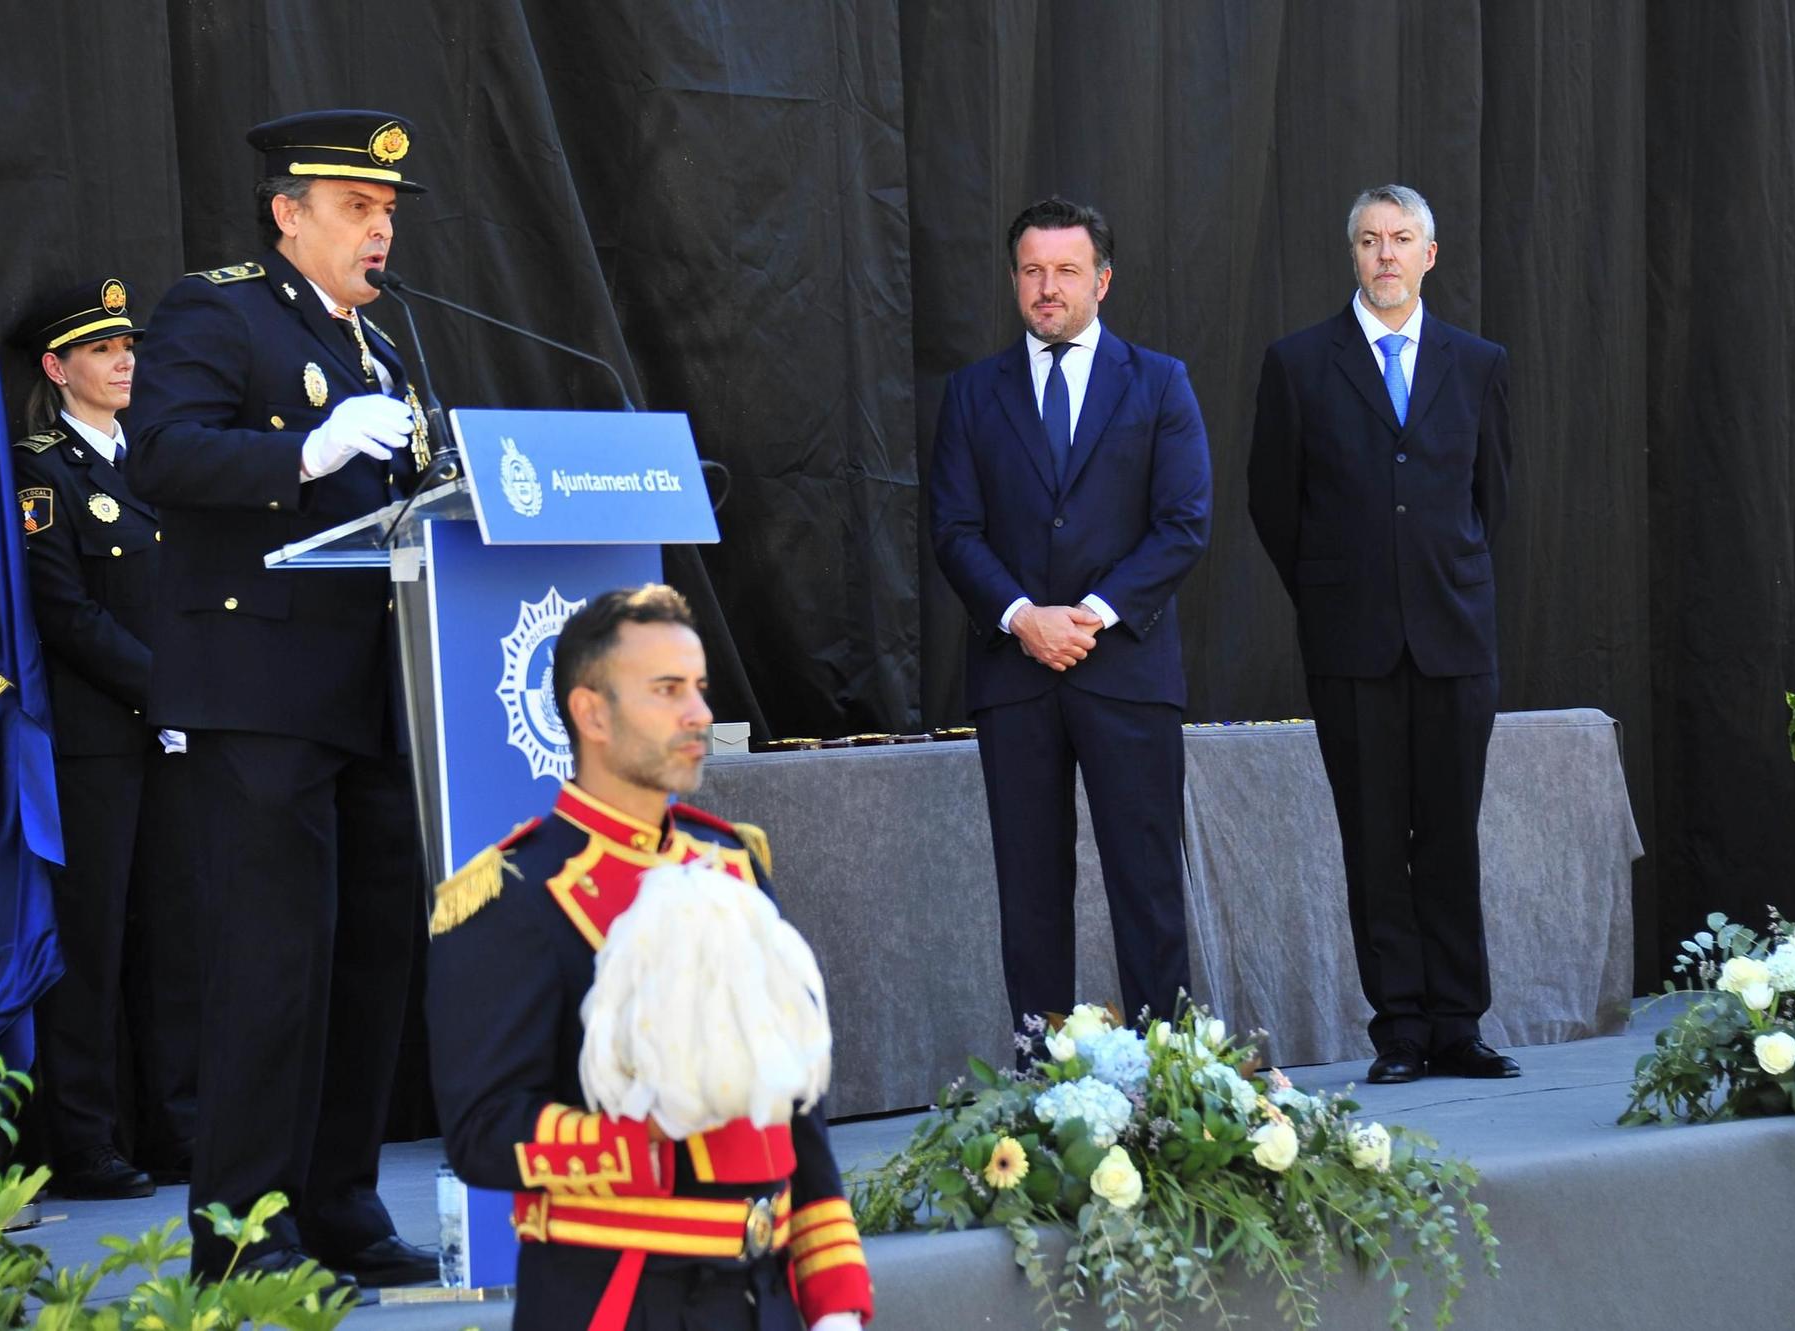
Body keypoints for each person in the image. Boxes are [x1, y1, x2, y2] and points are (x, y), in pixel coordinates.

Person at [125, 109, 435, 1284]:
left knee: (364, 963)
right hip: (257, 691)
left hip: (366, 692)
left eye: (388, 214)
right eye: (357, 209)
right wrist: (307, 450)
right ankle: (245, 1234)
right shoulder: (218, 309)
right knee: (272, 966)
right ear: (287, 213)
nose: (379, 232)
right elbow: (163, 454)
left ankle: (342, 1206)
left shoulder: (381, 350)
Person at [428, 585, 873, 1330]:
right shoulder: (513, 892)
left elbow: (799, 1112)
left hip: (768, 1301)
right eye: (667, 690)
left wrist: (833, 1297)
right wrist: (651, 1134)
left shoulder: (733, 860)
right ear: (592, 713)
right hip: (621, 1298)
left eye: (699, 688)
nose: (698, 713)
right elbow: (483, 1130)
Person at [1246, 184, 1516, 1085]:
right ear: (1353, 254)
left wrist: (1437, 579)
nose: (1386, 255)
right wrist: (1333, 590)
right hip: (1351, 643)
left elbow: (1493, 500)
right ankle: (1399, 1027)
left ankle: (1458, 1024)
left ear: (1430, 254)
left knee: (1449, 833)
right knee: (1372, 836)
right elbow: (1273, 504)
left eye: (1402, 240)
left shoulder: (1477, 364)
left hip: (1453, 638)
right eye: (1370, 240)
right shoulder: (1298, 364)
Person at [928, 196, 1212, 1036]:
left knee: (1147, 882)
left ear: (1103, 280)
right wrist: (1023, 617)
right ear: (1015, 279)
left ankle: (1169, 1074)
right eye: (1032, 271)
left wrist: (1086, 615)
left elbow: (1184, 521)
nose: (1047, 288)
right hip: (1016, 677)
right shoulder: (974, 393)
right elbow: (953, 528)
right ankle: (1041, 1081)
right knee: (1031, 887)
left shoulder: (1159, 381)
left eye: (1066, 271)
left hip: (1125, 670)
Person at [9, 277, 196, 1199]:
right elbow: (65, 613)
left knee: (173, 938)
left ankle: (176, 1126)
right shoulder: (40, 471)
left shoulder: (153, 459)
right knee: (90, 942)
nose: (126, 361)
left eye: (129, 346)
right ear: (58, 367)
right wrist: (171, 690)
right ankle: (81, 1138)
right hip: (98, 741)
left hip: (178, 735)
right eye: (101, 349)